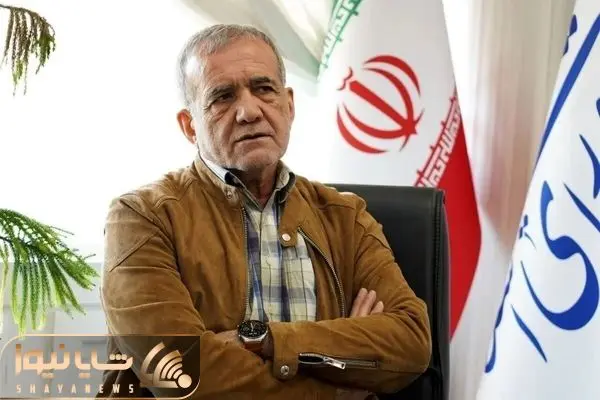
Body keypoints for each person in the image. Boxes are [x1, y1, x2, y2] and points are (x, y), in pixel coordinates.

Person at [99, 24, 431, 399]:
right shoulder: (141, 216)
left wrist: (265, 340)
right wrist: (340, 382)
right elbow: (179, 371)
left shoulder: (346, 217)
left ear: (288, 106)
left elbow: (411, 342)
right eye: (222, 97)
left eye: (263, 89)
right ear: (189, 126)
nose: (248, 111)